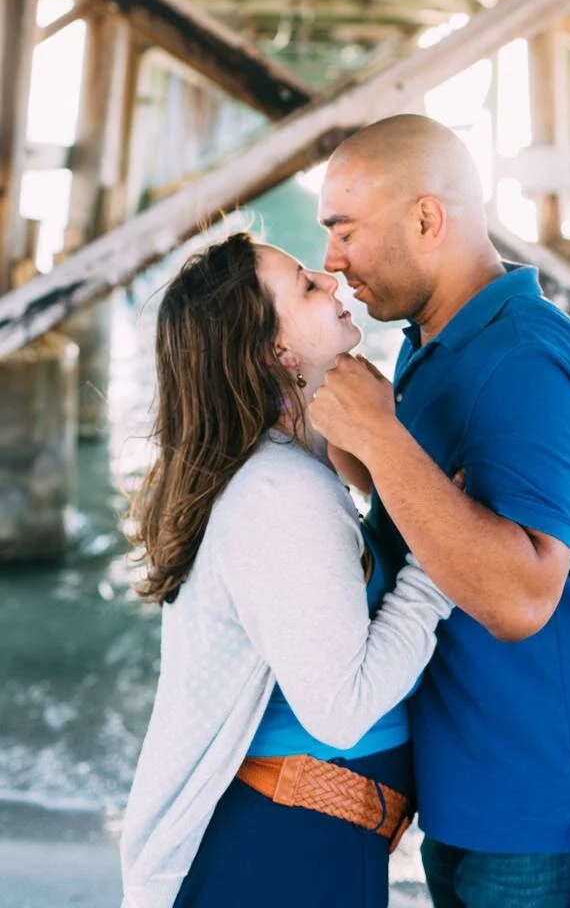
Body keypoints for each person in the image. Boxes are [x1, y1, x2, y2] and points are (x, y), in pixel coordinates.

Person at [311, 113, 570, 908]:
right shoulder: (432, 337)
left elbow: (520, 596)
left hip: (551, 797)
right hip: (478, 782)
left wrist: (380, 434)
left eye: (346, 233)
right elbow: (439, 514)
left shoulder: (525, 360)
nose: (332, 264)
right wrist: (341, 434)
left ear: (427, 219)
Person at [120, 231, 452, 908]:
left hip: (297, 842)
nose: (331, 278)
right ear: (276, 350)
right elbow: (341, 712)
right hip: (286, 853)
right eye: (306, 285)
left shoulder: (281, 471)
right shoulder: (280, 493)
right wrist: (439, 567)